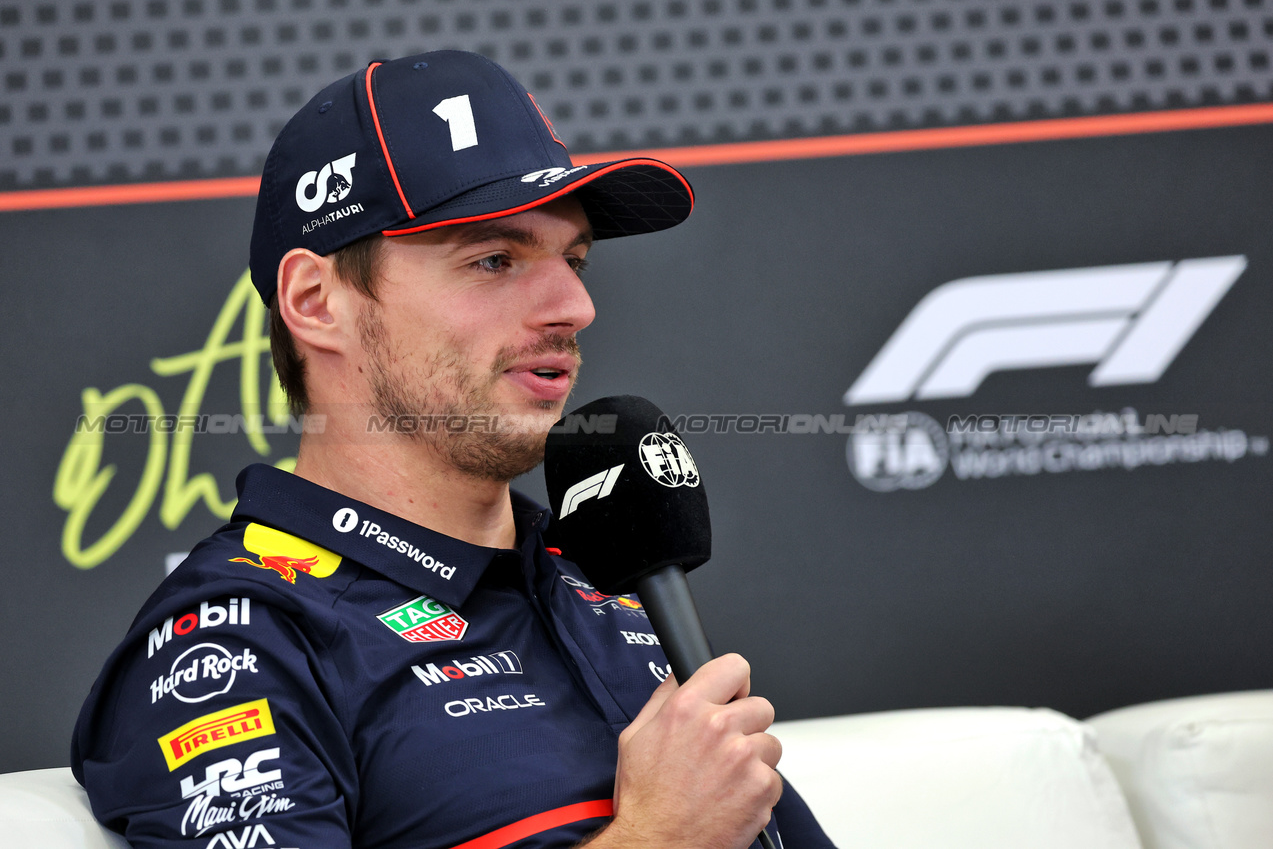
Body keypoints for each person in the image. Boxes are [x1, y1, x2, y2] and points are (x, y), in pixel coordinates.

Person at [72, 51, 835, 849]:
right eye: (494, 260)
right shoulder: (239, 641)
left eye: (572, 259)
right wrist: (656, 838)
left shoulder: (601, 582)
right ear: (315, 302)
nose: (574, 306)